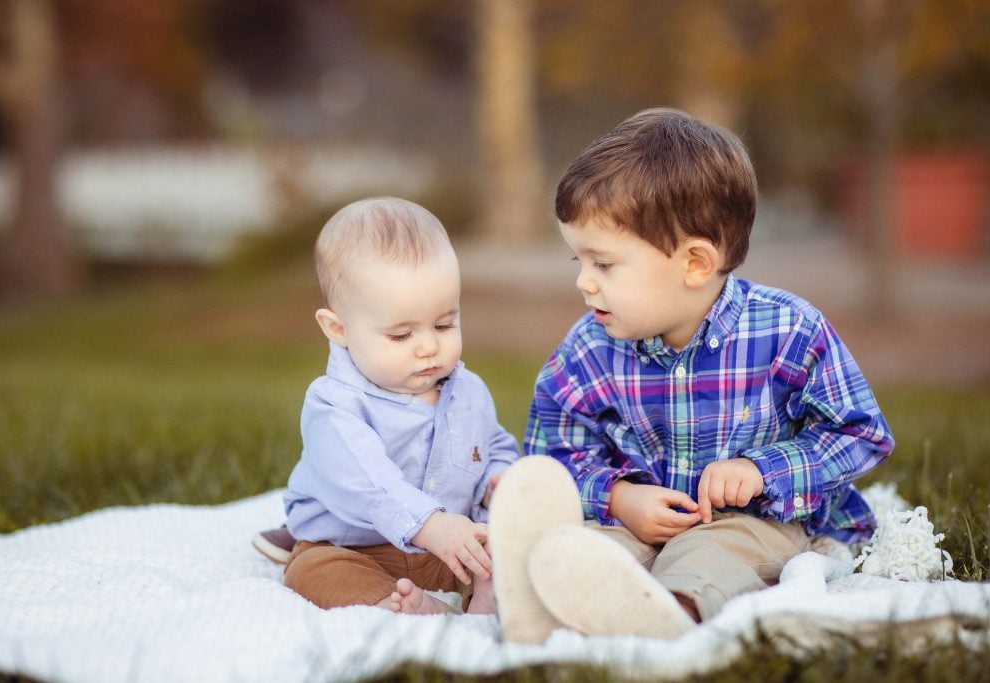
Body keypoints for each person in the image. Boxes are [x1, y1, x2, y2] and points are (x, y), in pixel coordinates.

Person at [488, 108, 894, 643]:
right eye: (577, 262)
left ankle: (672, 614)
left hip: (757, 522)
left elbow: (860, 434)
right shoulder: (588, 347)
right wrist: (617, 499)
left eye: (603, 264)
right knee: (589, 548)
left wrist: (763, 469)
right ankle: (544, 604)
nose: (585, 284)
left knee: (708, 554)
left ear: (696, 264)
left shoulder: (788, 330)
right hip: (634, 523)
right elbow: (555, 452)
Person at [279, 196, 519, 616]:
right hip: (356, 546)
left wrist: (498, 478)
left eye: (444, 325)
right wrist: (430, 525)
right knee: (314, 571)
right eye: (400, 335)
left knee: (502, 549)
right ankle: (399, 607)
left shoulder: (468, 391)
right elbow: (369, 483)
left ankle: (482, 597)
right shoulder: (334, 406)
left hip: (445, 548)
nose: (428, 346)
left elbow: (493, 443)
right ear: (339, 329)